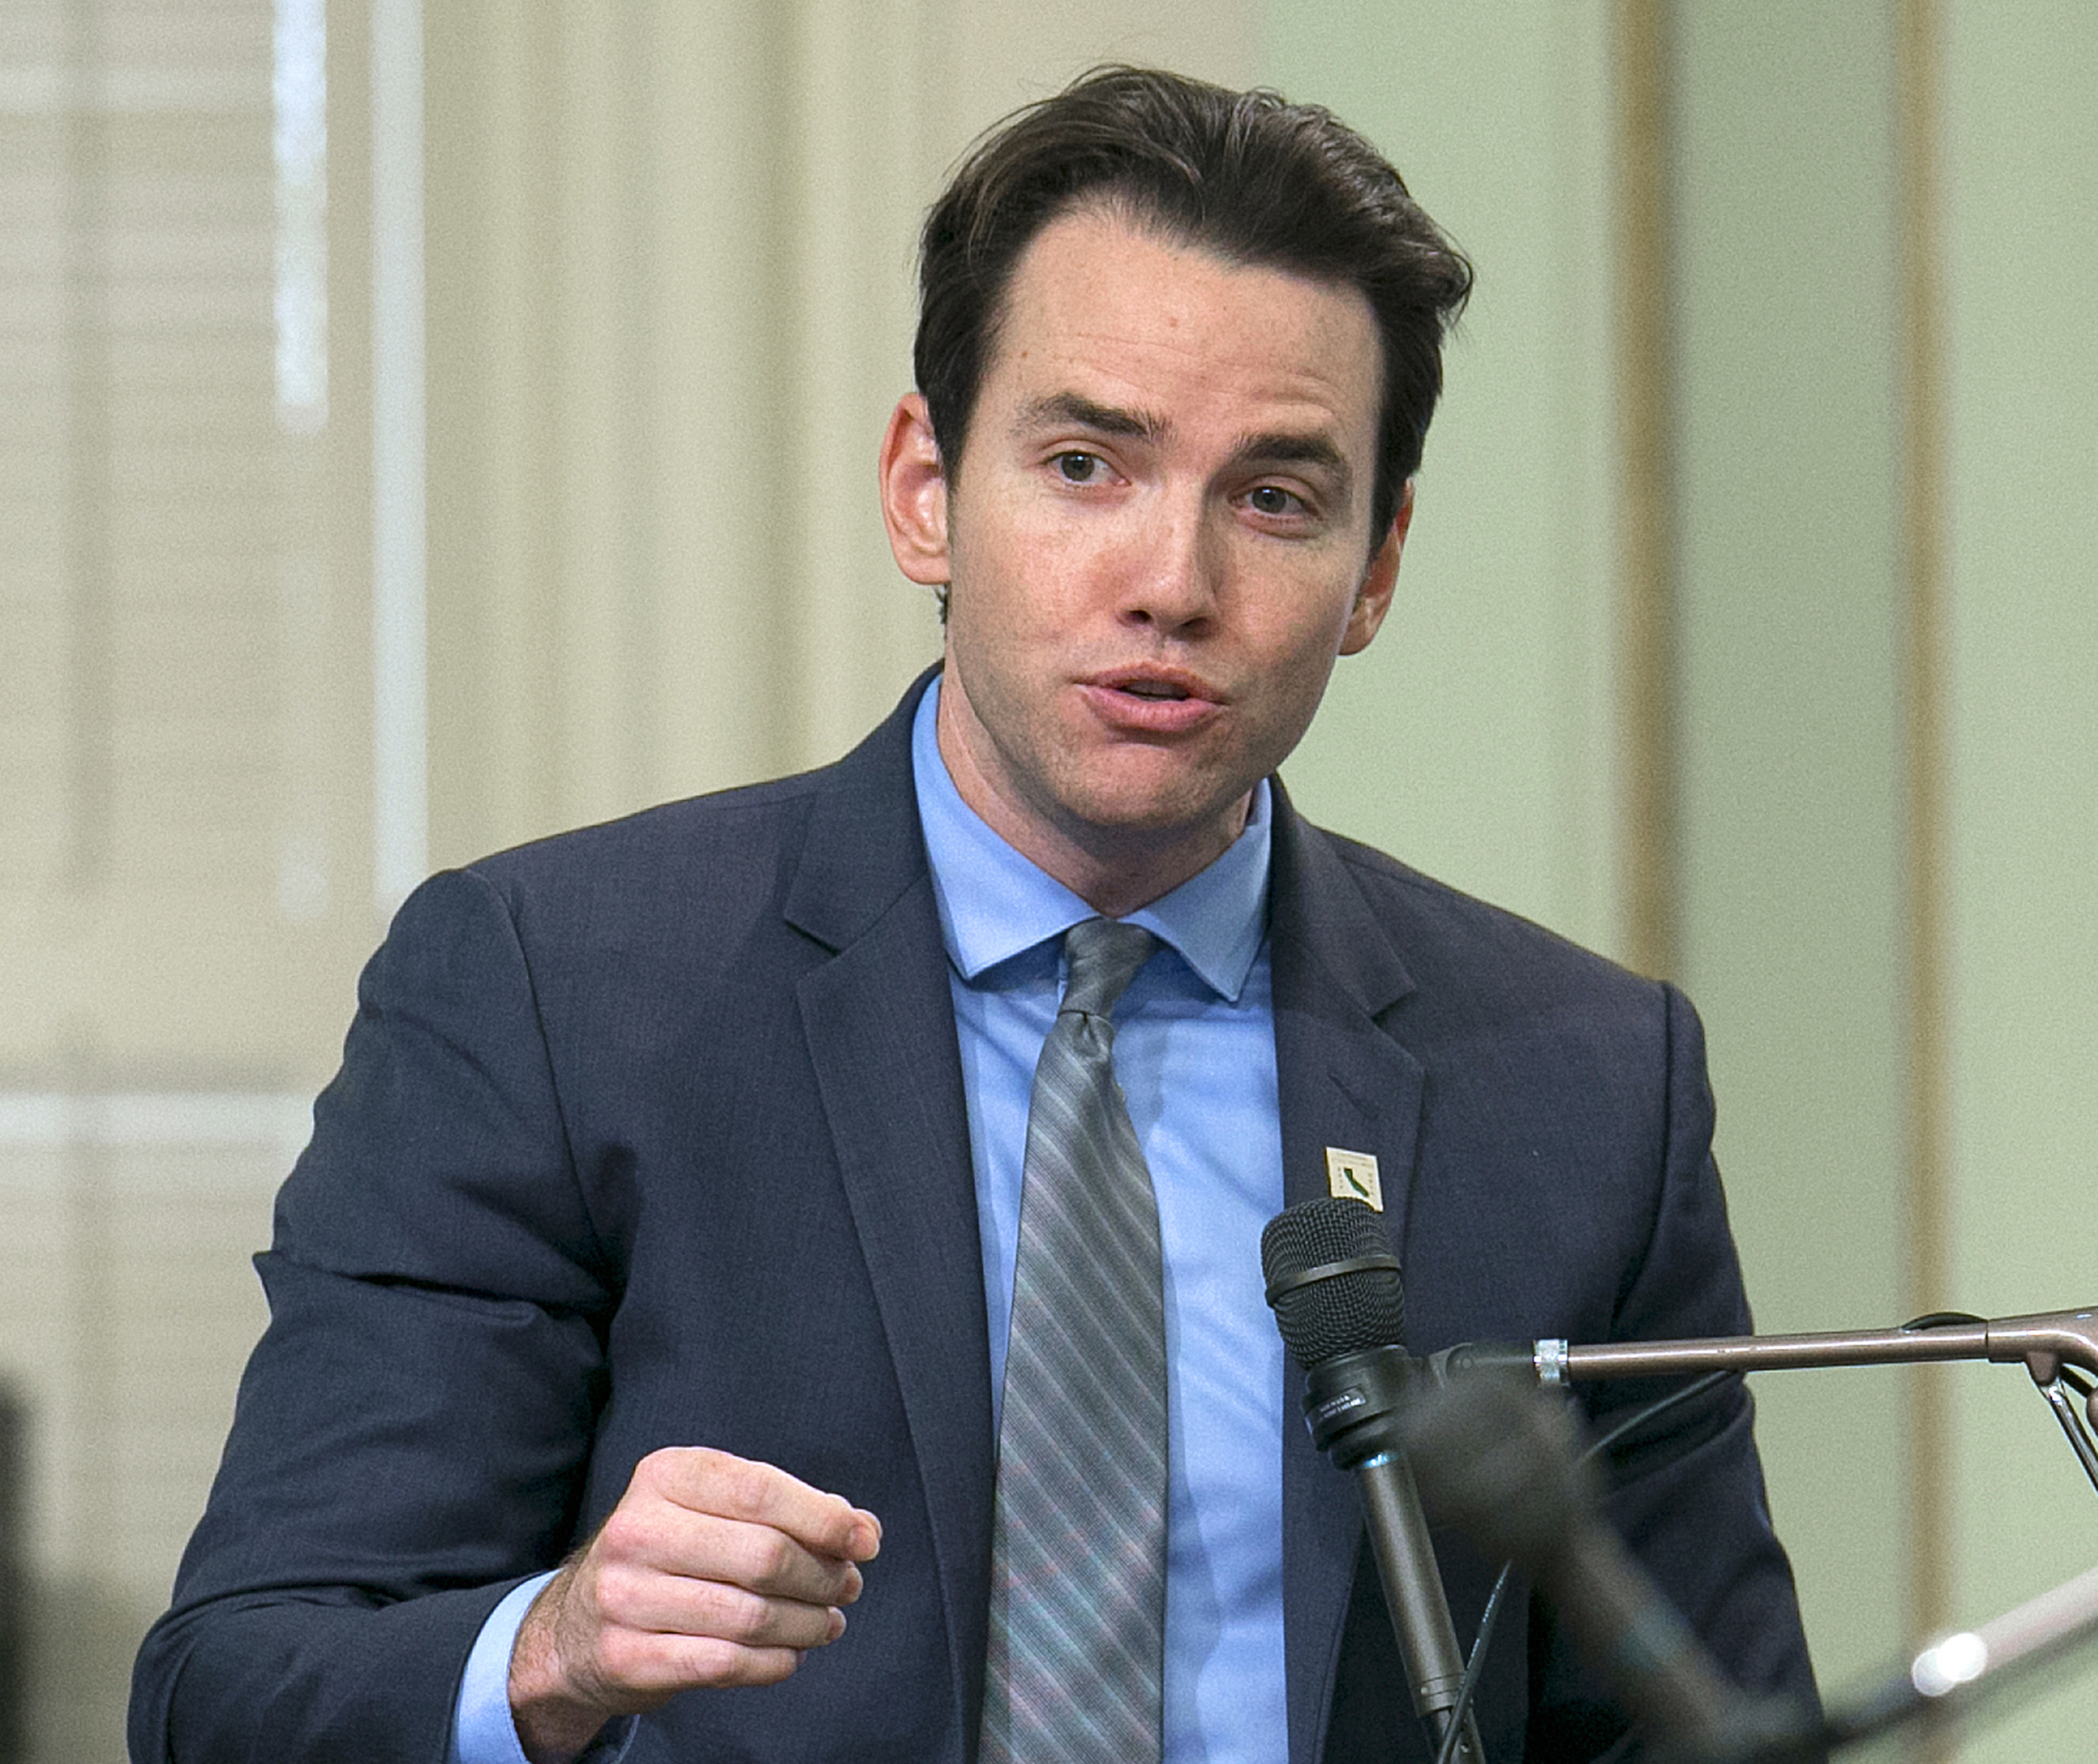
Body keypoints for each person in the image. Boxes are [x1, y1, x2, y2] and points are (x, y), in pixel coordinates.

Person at [131, 65, 1815, 1764]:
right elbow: (239, 1693)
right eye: (1087, 464)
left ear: (1375, 570)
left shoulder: (1584, 1085)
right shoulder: (559, 996)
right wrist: (555, 1650)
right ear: (924, 488)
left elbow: (1709, 1730)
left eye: (1277, 498)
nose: (1173, 580)